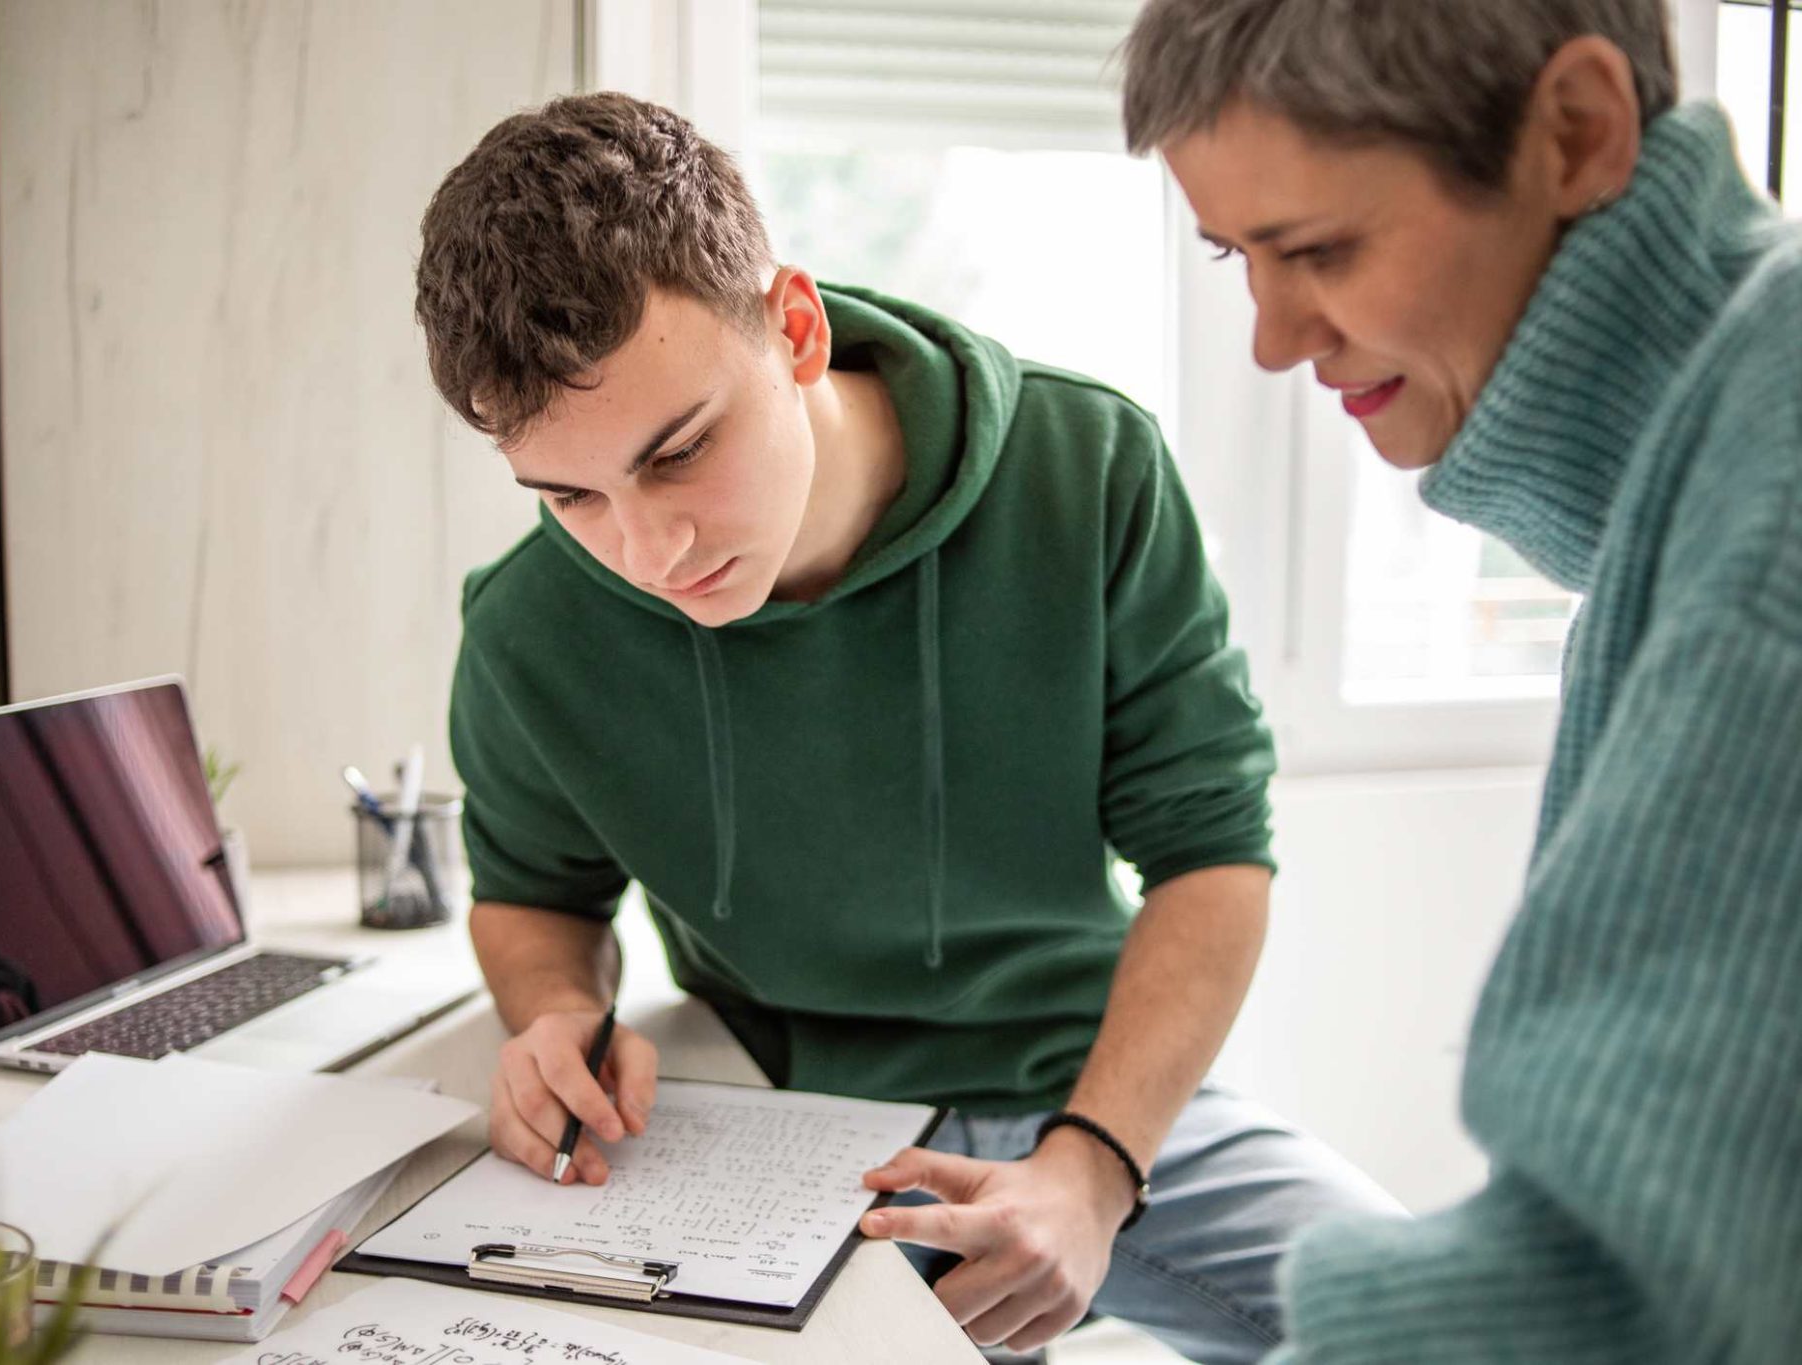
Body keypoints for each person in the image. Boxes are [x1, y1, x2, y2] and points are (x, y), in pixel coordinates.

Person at [412, 93, 1397, 1362]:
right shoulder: (529, 628)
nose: (647, 552)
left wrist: (1092, 1173)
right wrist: (552, 1014)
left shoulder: (1086, 469)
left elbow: (1210, 856)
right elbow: (534, 895)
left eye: (680, 451)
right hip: (773, 1125)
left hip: (1092, 1098)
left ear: (797, 328)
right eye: (569, 496)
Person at [1122, 2, 1802, 1360]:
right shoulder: (1704, 460)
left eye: (1317, 249)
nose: (1270, 339)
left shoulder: (1768, 491)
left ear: (1576, 133)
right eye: (1235, 257)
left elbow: (1625, 1301)